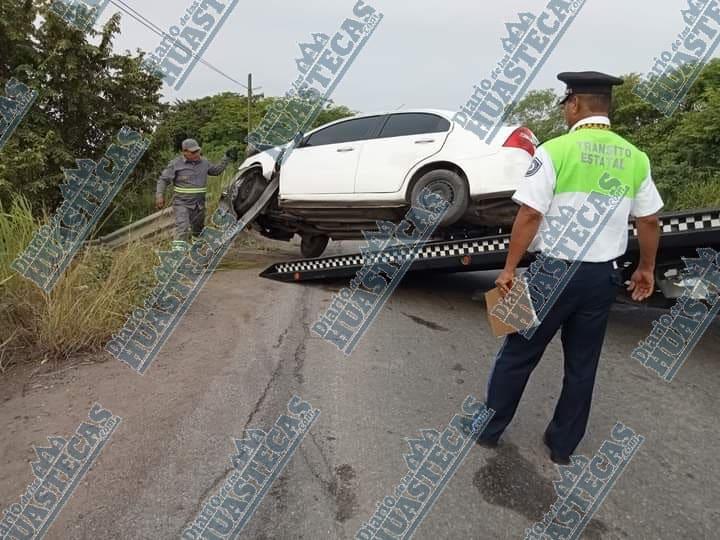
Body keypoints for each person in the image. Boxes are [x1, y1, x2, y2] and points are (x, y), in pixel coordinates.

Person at [477, 72, 664, 464]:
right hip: (601, 278)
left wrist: (509, 268)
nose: (565, 110)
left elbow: (530, 213)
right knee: (582, 365)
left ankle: (489, 430)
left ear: (575, 104)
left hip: (550, 272)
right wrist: (646, 268)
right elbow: (649, 220)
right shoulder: (635, 157)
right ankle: (562, 447)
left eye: (565, 104)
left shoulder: (555, 150)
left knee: (516, 353)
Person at [156, 139, 239, 250]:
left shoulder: (204, 162)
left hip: (199, 205)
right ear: (184, 152)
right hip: (182, 204)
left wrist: (226, 158)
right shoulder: (176, 164)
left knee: (198, 231)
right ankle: (177, 258)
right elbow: (163, 180)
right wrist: (159, 195)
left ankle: (196, 252)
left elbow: (216, 171)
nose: (197, 154)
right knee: (183, 228)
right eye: (193, 152)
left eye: (198, 151)